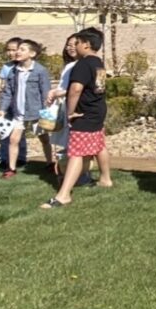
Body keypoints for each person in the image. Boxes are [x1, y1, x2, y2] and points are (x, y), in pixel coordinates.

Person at [41, 27, 111, 208]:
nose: (75, 46)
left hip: (84, 113)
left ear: (86, 45)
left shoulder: (82, 64)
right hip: (97, 110)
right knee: (98, 144)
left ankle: (64, 195)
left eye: (77, 42)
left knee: (76, 153)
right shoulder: (98, 63)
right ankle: (105, 179)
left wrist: (70, 112)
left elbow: (75, 89)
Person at [0, 39, 51, 179]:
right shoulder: (13, 71)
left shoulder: (40, 71)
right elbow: (8, 92)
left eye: (22, 49)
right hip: (19, 112)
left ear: (32, 54)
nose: (18, 52)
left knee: (44, 138)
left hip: (36, 112)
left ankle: (50, 162)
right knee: (14, 140)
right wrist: (2, 109)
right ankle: (11, 168)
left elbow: (45, 93)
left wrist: (46, 112)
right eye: (18, 49)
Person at [0, 38, 27, 168]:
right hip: (8, 105)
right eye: (8, 50)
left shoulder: (28, 66)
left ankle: (21, 157)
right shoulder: (6, 67)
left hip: (23, 105)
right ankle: (5, 158)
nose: (11, 53)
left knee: (20, 133)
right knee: (5, 131)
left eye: (14, 50)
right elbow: (3, 86)